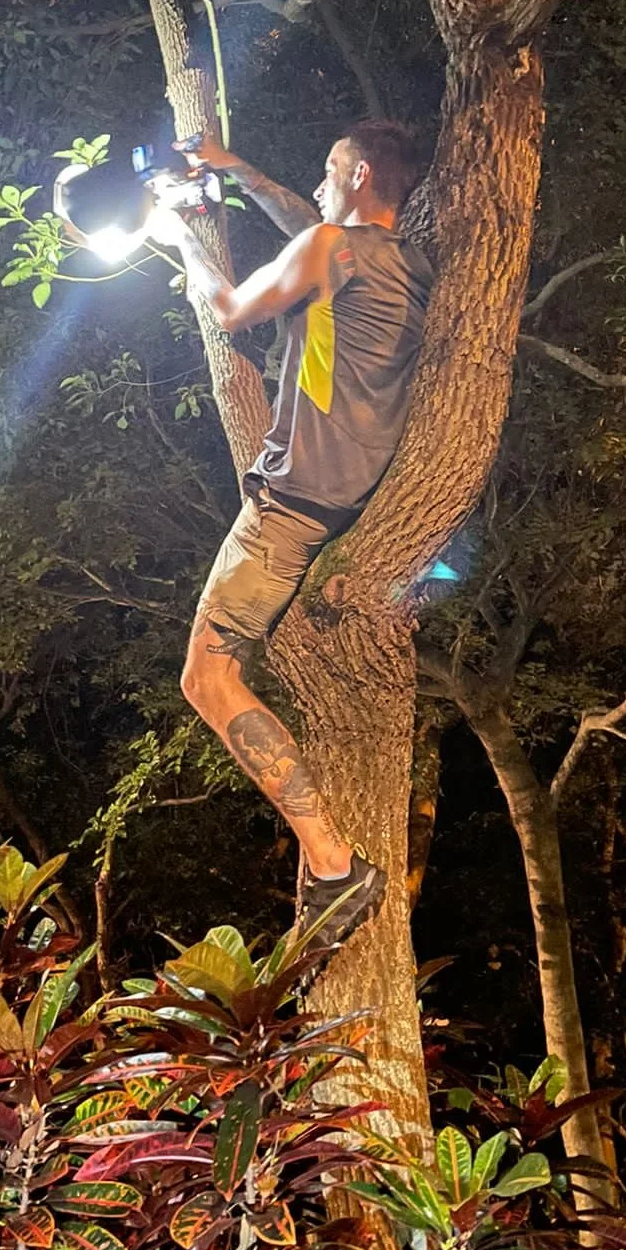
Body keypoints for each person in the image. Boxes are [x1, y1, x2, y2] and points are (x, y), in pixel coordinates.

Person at [166, 118, 433, 954]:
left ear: (356, 177)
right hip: (355, 491)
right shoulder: (407, 264)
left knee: (206, 681)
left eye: (327, 170)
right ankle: (328, 858)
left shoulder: (330, 246)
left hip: (291, 504)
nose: (315, 183)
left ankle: (332, 864)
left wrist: (181, 237)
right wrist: (235, 168)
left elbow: (234, 308)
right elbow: (312, 228)